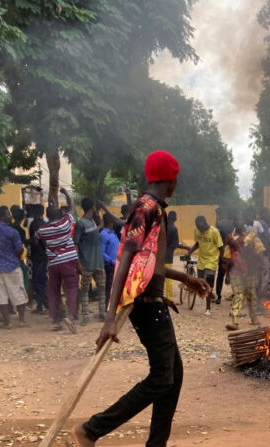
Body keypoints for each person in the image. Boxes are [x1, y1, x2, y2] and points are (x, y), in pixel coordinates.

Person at [72, 150, 209, 447]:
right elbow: (125, 259)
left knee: (173, 373)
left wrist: (186, 278)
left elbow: (151, 265)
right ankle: (91, 430)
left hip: (153, 303)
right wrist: (110, 317)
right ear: (171, 180)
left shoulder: (154, 209)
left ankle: (154, 444)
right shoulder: (145, 208)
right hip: (146, 306)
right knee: (162, 377)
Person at [37, 187, 79, 333]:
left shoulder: (43, 230)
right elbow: (72, 208)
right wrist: (66, 194)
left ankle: (55, 321)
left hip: (53, 263)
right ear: (59, 214)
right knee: (72, 288)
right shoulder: (66, 223)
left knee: (53, 291)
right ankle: (71, 316)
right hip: (68, 261)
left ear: (47, 216)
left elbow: (38, 238)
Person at [0, 206, 29, 328]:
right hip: (13, 266)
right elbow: (19, 249)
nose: (11, 216)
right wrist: (12, 254)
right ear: (4, 216)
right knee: (18, 292)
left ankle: (7, 322)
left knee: (0, 295)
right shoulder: (12, 232)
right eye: (9, 214)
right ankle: (21, 320)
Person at [226, 213, 265, 331]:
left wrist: (260, 267)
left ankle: (254, 318)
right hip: (236, 271)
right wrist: (227, 273)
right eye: (236, 220)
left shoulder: (251, 235)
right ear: (234, 223)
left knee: (251, 295)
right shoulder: (230, 237)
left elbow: (260, 250)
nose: (238, 222)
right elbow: (226, 257)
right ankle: (235, 321)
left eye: (240, 219)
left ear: (243, 222)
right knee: (237, 296)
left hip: (250, 271)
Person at [74, 197, 107, 324]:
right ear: (91, 207)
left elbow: (96, 231)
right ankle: (86, 315)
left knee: (101, 288)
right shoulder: (81, 223)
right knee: (85, 289)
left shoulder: (92, 222)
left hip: (98, 262)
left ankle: (102, 313)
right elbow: (75, 244)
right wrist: (79, 263)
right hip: (87, 263)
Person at [188, 216, 224, 315]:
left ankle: (208, 308)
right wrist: (190, 252)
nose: (200, 230)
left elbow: (221, 247)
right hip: (201, 260)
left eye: (201, 228)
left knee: (208, 281)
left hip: (212, 260)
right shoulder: (197, 229)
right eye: (198, 228)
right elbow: (198, 243)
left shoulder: (214, 232)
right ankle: (208, 292)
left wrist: (222, 261)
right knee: (201, 283)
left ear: (205, 223)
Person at [163, 211, 188, 303]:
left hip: (158, 256)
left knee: (160, 277)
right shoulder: (174, 228)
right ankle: (169, 299)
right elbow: (176, 244)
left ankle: (159, 298)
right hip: (168, 257)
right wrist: (186, 247)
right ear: (175, 218)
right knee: (169, 278)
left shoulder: (163, 226)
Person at [28, 206, 49, 314]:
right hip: (43, 257)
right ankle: (41, 306)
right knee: (41, 281)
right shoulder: (45, 223)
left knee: (38, 283)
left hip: (38, 257)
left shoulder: (34, 224)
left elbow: (35, 241)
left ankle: (48, 305)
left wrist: (28, 241)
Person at [100, 213, 120, 308]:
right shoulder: (103, 234)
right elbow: (101, 251)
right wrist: (112, 261)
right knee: (109, 287)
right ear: (110, 222)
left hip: (117, 264)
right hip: (110, 265)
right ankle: (107, 307)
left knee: (116, 287)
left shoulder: (113, 233)